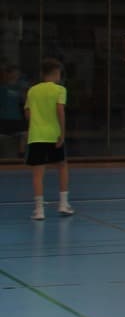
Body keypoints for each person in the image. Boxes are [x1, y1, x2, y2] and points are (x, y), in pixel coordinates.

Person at [26, 57, 72, 220]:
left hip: (36, 136)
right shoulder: (60, 90)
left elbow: (28, 113)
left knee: (38, 173)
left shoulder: (32, 90)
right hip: (54, 134)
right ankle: (63, 204)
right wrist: (62, 133)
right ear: (56, 73)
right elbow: (60, 111)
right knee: (62, 166)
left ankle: (39, 210)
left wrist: (37, 123)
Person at [0, 62, 24, 157]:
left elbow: (24, 102)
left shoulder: (20, 88)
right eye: (14, 73)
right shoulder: (2, 88)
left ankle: (21, 157)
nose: (15, 75)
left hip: (16, 119)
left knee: (23, 135)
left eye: (17, 73)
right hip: (3, 118)